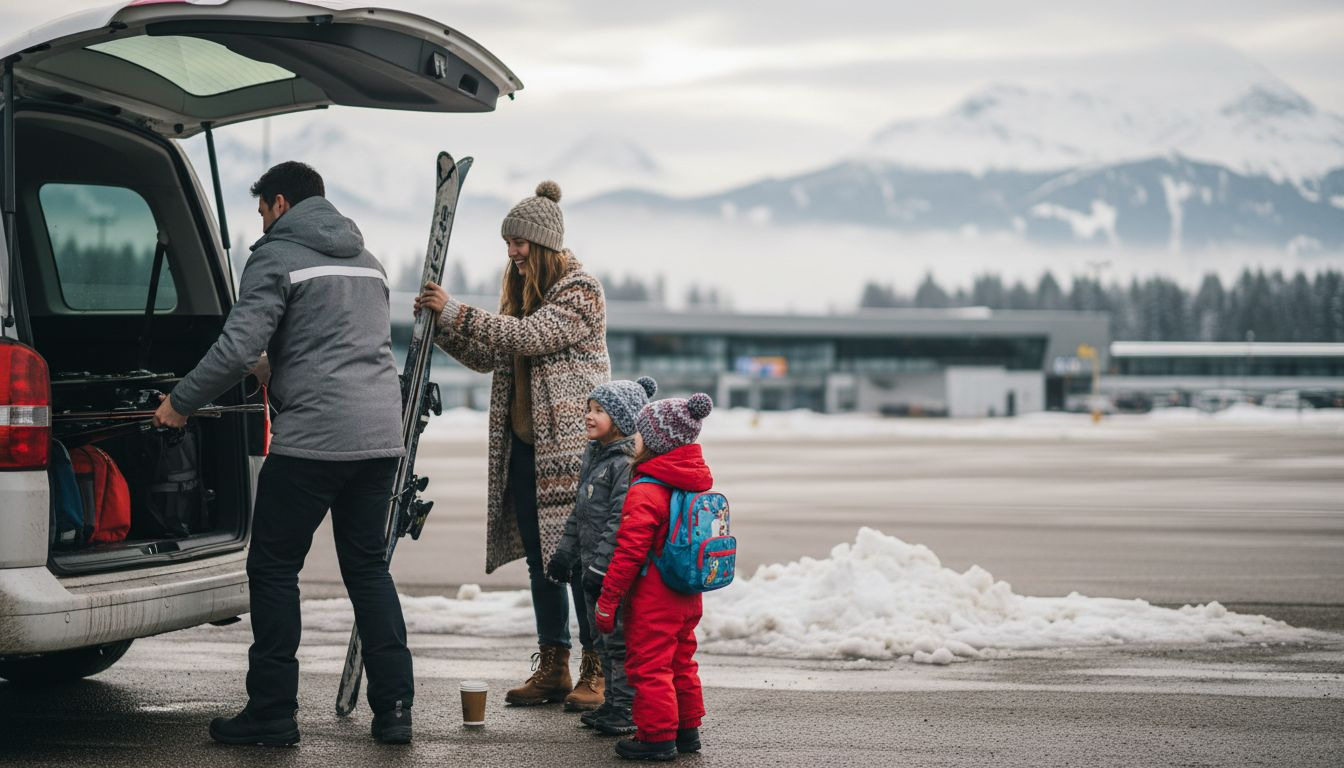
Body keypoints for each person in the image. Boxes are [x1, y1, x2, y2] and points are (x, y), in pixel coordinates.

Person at [153, 161, 414, 746]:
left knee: (273, 568)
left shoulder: (277, 255)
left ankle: (272, 712)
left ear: (278, 203)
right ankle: (395, 707)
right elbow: (342, 346)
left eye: (262, 213)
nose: (263, 224)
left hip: (314, 440)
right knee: (368, 569)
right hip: (378, 437)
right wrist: (279, 368)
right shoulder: (368, 263)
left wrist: (181, 402)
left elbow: (235, 346)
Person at [415, 180, 609, 706]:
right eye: (507, 243)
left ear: (542, 243)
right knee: (541, 560)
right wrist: (440, 327)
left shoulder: (580, 291)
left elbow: (528, 337)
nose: (512, 252)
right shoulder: (521, 295)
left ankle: (598, 669)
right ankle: (554, 665)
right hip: (525, 448)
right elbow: (491, 354)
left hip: (570, 452)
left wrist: (455, 311)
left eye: (519, 243)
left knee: (579, 562)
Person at [596, 394, 716, 761]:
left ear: (656, 441)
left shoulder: (647, 490)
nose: (635, 438)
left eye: (640, 433)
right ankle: (686, 730)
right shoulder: (690, 482)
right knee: (681, 661)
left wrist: (608, 599)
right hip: (687, 592)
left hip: (653, 597)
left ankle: (656, 737)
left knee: (649, 665)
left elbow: (628, 554)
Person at [546, 377, 658, 731]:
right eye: (588, 409)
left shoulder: (624, 462)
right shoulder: (595, 456)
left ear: (623, 419)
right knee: (600, 639)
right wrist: (565, 553)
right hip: (589, 567)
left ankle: (625, 710)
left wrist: (601, 567)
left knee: (618, 641)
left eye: (599, 411)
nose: (589, 417)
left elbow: (618, 521)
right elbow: (580, 513)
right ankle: (612, 704)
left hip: (610, 573)